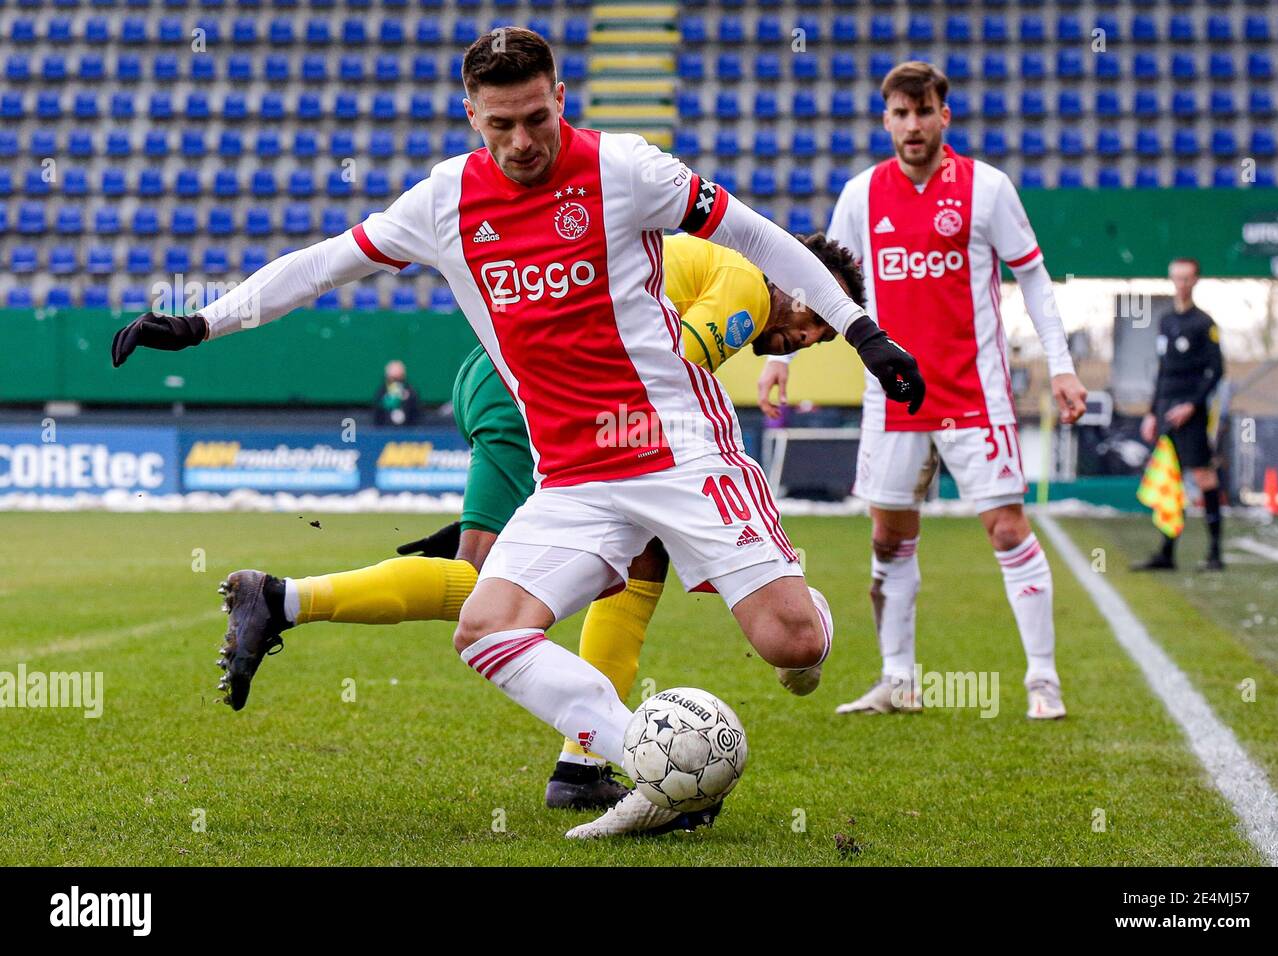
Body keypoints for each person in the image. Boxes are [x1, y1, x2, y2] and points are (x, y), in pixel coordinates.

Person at [110, 28, 923, 838]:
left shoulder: (624, 169)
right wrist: (200, 324)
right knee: (485, 627)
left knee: (791, 644)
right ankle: (649, 760)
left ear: (560, 98)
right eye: (501, 125)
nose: (523, 141)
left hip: (678, 447)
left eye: (536, 118)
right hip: (572, 474)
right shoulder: (442, 202)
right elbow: (324, 264)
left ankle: (799, 614)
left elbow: (756, 234)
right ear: (471, 115)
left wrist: (861, 331)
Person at [201, 231, 861, 815]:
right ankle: (283, 600)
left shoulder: (707, 265)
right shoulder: (741, 285)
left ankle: (580, 767)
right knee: (493, 581)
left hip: (506, 378)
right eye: (817, 328)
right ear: (807, 292)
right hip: (545, 394)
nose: (806, 342)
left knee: (628, 558)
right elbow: (668, 376)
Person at [758, 61, 1087, 720]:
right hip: (893, 399)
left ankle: (1043, 680)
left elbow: (1036, 280)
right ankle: (898, 681)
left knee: (1005, 528)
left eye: (923, 112)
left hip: (974, 394)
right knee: (887, 539)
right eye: (900, 115)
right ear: (886, 121)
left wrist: (1061, 363)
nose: (913, 125)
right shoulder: (861, 195)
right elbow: (819, 281)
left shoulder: (988, 191)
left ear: (945, 116)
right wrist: (783, 360)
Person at [1131, 257, 1225, 572]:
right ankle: (1166, 553)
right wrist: (1151, 412)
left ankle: (1215, 553)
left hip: (1191, 412)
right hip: (1164, 410)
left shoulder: (1204, 324)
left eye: (1187, 279)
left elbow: (1216, 371)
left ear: (1195, 281)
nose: (1181, 284)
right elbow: (1161, 372)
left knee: (1202, 475)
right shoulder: (1166, 321)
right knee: (1168, 478)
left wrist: (1192, 405)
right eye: (1176, 278)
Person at [373, 359, 422, 427]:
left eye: (398, 378)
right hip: (385, 431)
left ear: (403, 376)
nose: (395, 382)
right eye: (392, 378)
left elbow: (416, 415)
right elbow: (377, 416)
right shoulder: (381, 392)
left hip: (408, 432)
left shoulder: (411, 392)